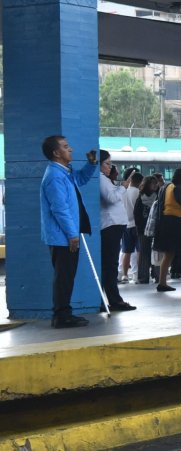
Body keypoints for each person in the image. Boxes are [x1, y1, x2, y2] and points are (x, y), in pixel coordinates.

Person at [39, 135, 98, 328]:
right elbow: (59, 209)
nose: (70, 149)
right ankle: (61, 316)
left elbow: (81, 179)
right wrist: (72, 234)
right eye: (65, 147)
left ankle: (64, 313)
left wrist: (91, 164)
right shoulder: (55, 176)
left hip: (66, 235)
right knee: (64, 277)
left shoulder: (65, 172)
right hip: (62, 236)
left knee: (66, 276)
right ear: (56, 153)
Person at [97, 151, 135, 311]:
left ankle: (109, 299)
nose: (110, 167)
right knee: (109, 265)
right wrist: (123, 187)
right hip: (110, 226)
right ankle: (114, 300)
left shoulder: (105, 179)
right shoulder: (101, 179)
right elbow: (111, 198)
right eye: (107, 164)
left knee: (110, 264)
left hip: (114, 226)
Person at [133, 175, 161, 284]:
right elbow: (136, 215)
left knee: (157, 253)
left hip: (156, 230)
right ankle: (143, 277)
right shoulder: (140, 198)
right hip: (143, 231)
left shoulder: (159, 196)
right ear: (147, 185)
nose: (155, 185)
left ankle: (158, 276)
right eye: (152, 183)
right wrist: (140, 229)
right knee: (145, 254)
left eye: (155, 183)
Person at [119, 172, 143, 283]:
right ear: (140, 182)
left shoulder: (123, 192)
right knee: (139, 251)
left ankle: (124, 275)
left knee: (126, 252)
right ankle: (137, 275)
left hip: (126, 225)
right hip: (137, 226)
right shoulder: (139, 193)